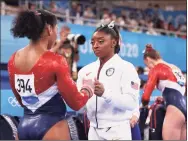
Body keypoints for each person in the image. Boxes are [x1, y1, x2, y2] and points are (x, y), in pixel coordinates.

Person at [8, 9, 93, 140]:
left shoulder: (13, 59)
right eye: (56, 29)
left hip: (24, 126)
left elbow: (21, 100)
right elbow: (76, 103)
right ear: (49, 29)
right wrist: (87, 89)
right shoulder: (55, 61)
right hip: (52, 126)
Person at [76, 21, 140, 140]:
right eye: (93, 42)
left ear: (113, 42)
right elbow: (78, 104)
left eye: (101, 41)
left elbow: (131, 103)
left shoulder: (126, 68)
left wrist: (105, 93)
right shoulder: (85, 71)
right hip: (93, 131)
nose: (95, 45)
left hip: (117, 130)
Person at [141, 44, 187, 140]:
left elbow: (146, 96)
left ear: (148, 59)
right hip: (184, 106)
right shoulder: (175, 68)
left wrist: (144, 105)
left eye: (147, 65)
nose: (148, 68)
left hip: (174, 109)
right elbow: (181, 89)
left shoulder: (157, 68)